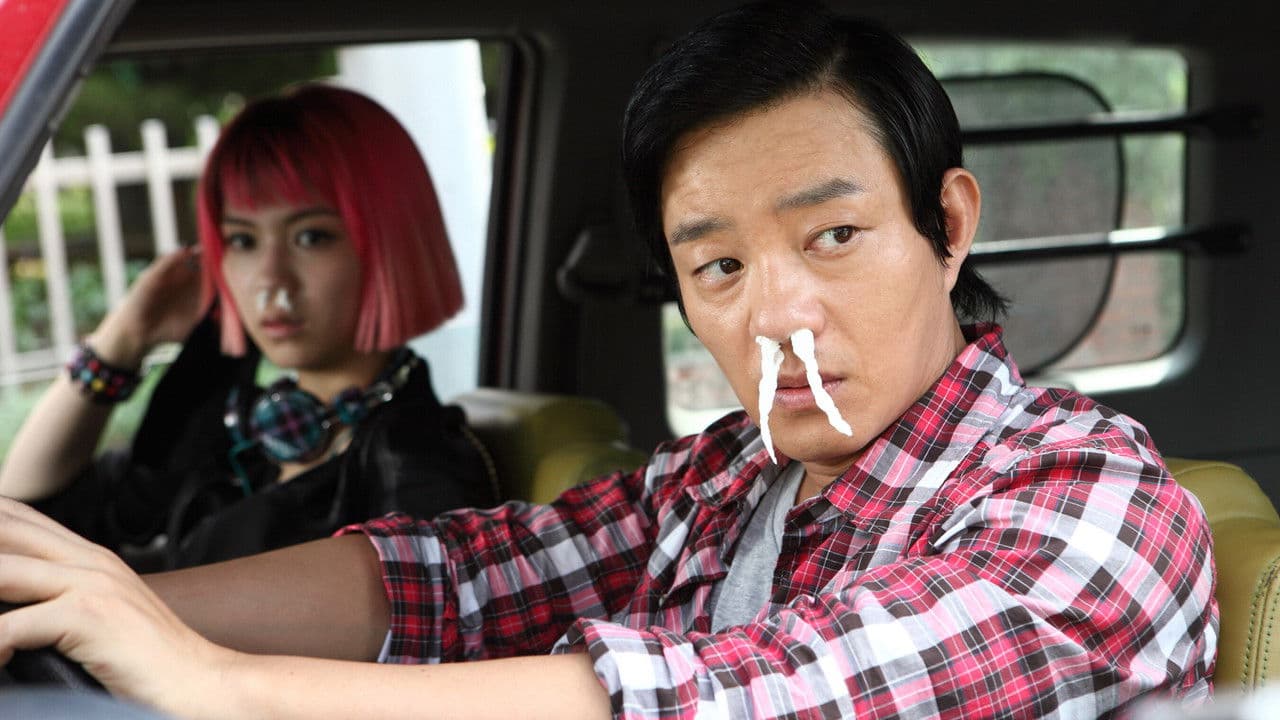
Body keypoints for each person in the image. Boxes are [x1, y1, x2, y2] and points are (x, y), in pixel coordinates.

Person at [0, 3, 1216, 718]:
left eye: (832, 237)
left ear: (945, 226)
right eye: (718, 265)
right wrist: (109, 604)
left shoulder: (1095, 502)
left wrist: (213, 684)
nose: (775, 311)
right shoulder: (726, 477)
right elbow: (461, 576)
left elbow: (750, 696)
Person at [0, 85, 498, 570]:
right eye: (242, 241)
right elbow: (24, 520)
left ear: (392, 245)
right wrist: (123, 340)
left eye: (311, 237)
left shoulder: (415, 469)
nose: (271, 280)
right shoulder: (233, 426)